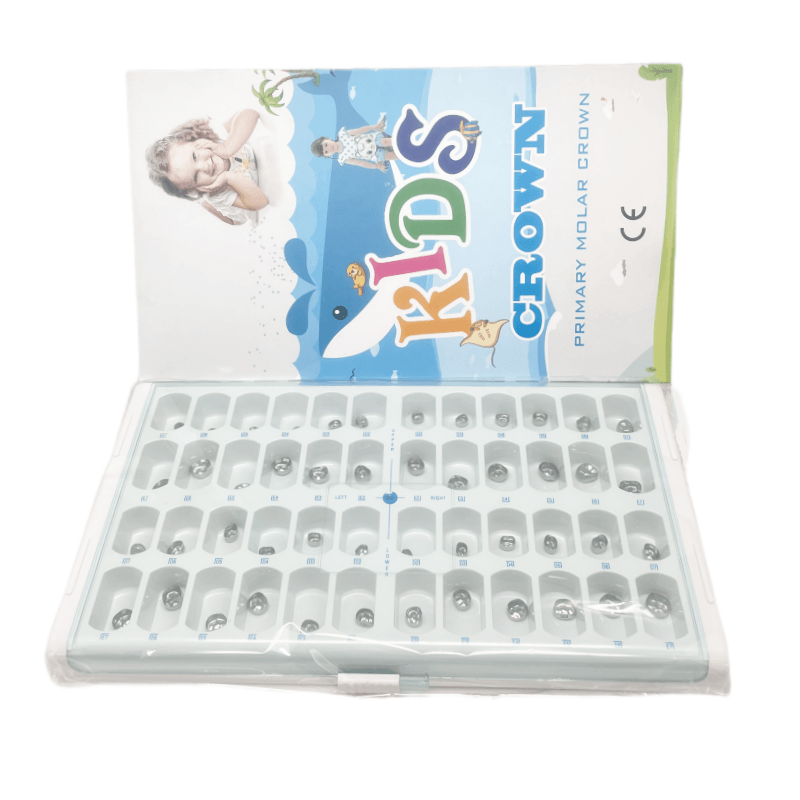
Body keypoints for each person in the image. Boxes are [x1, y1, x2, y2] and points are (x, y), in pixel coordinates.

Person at [146, 109, 268, 226]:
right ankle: (202, 201)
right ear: (195, 188)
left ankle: (201, 200)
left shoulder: (214, 138)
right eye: (196, 176)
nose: (204, 167)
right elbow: (261, 201)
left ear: (193, 139)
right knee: (231, 219)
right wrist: (228, 178)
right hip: (238, 211)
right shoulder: (217, 194)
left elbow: (251, 113)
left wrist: (226, 147)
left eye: (194, 156)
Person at [310, 115, 396, 172]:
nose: (329, 148)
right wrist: (376, 166)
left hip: (373, 139)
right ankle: (402, 155)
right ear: (327, 156)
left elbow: (360, 130)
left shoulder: (342, 134)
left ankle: (397, 141)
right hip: (374, 155)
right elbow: (360, 163)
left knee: (384, 141)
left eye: (326, 145)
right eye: (326, 151)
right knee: (388, 156)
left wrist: (374, 127)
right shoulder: (342, 158)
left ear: (327, 139)